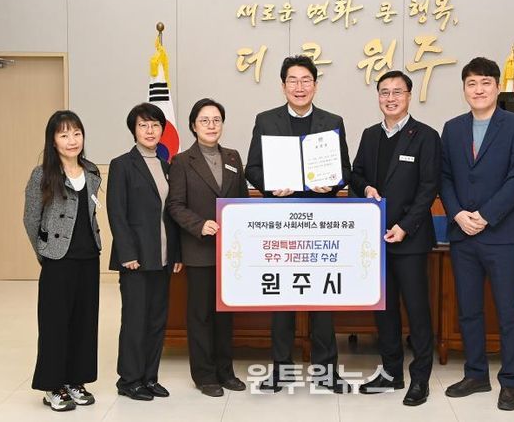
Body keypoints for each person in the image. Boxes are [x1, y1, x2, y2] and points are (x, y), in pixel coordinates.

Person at [245, 55, 351, 393]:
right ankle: (281, 370)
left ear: (315, 85)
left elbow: (345, 170)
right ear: (283, 86)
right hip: (282, 222)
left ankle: (326, 371)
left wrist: (331, 183)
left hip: (320, 224)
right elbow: (252, 168)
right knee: (282, 299)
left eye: (306, 80)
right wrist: (271, 187)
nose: (299, 87)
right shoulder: (266, 120)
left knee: (323, 298)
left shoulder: (332, 121)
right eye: (293, 80)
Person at [440, 57, 514, 410]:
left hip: (502, 233)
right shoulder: (452, 128)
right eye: (471, 83)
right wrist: (458, 214)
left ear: (497, 87)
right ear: (464, 89)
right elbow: (444, 177)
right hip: (463, 233)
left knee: (508, 310)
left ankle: (510, 381)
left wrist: (485, 215)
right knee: (468, 309)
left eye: (485, 83)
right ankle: (476, 374)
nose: (478, 90)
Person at [351, 70, 441, 406]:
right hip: (375, 239)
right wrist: (365, 188)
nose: (390, 98)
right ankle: (391, 372)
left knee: (417, 310)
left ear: (409, 96)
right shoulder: (370, 135)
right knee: (384, 309)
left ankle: (420, 378)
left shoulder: (426, 136)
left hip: (410, 239)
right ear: (378, 97)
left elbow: (429, 187)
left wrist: (405, 226)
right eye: (384, 92)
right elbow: (356, 174)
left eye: (397, 92)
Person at [166, 98, 248, 397]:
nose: (211, 126)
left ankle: (225, 371)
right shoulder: (181, 161)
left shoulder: (233, 157)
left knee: (225, 315)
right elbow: (175, 205)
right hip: (199, 249)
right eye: (204, 120)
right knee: (200, 315)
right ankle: (204, 375)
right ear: (193, 126)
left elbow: (242, 201)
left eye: (216, 120)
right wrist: (199, 225)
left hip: (229, 252)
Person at [23, 110, 102, 411]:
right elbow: (31, 219)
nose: (72, 140)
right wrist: (45, 252)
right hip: (58, 259)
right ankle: (52, 386)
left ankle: (75, 381)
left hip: (88, 257)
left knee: (84, 322)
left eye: (76, 133)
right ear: (53, 140)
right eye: (64, 134)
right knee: (55, 324)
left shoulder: (91, 171)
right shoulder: (42, 174)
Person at [107, 103, 182, 401]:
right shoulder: (122, 164)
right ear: (134, 130)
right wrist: (127, 253)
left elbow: (171, 214)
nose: (150, 131)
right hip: (136, 259)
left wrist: (175, 254)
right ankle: (129, 380)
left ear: (163, 129)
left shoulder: (167, 166)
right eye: (143, 125)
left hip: (162, 258)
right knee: (135, 321)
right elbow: (117, 212)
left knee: (156, 320)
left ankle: (149, 377)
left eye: (155, 125)